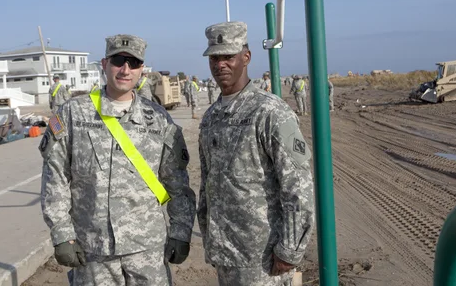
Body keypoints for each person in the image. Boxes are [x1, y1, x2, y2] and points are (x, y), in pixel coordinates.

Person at [40, 34, 196, 286]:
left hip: (147, 250)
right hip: (93, 250)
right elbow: (54, 179)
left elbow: (177, 182)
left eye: (133, 63)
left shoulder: (158, 119)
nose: (125, 69)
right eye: (118, 61)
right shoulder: (72, 114)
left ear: (141, 70)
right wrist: (61, 234)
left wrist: (180, 231)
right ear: (104, 64)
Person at [197, 21, 315, 286]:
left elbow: (299, 185)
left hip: (262, 256)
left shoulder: (270, 112)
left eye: (228, 56)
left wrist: (290, 248)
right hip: (225, 251)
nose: (220, 65)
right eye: (214, 58)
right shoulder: (211, 117)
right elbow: (209, 184)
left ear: (246, 57)